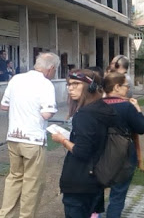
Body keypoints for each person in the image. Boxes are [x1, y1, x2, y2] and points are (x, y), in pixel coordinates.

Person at [0, 51, 59, 218]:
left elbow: (4, 105)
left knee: (14, 178)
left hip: (13, 137)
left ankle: (5, 215)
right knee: (32, 182)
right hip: (34, 139)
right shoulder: (46, 84)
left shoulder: (16, 79)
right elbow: (47, 113)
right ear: (50, 68)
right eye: (55, 70)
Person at [50, 69, 116, 218]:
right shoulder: (102, 108)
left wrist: (63, 140)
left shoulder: (85, 115)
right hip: (96, 178)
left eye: (76, 84)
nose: (70, 88)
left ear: (90, 87)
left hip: (80, 181)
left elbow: (82, 151)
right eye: (69, 84)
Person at [100, 72, 144, 218]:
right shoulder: (127, 107)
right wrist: (138, 110)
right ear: (117, 87)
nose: (128, 89)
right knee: (117, 196)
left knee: (96, 193)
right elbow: (141, 128)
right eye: (126, 86)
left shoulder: (96, 105)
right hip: (123, 156)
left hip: (99, 155)